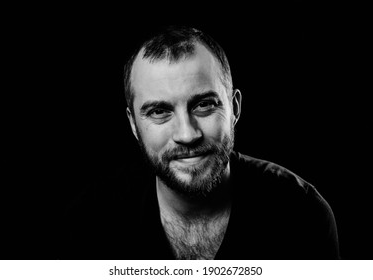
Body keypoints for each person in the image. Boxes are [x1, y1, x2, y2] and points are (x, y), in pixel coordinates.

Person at [64, 25, 340, 260]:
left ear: (235, 108)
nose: (187, 134)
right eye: (159, 112)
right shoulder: (90, 222)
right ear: (134, 125)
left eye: (204, 105)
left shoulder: (301, 213)